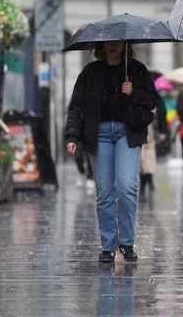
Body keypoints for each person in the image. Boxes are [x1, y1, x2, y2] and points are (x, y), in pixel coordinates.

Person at [65, 41, 158, 263]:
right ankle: (108, 246)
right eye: (108, 43)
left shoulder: (136, 70)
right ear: (102, 45)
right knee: (105, 192)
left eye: (117, 43)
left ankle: (126, 243)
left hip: (127, 132)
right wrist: (72, 136)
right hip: (99, 135)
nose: (112, 46)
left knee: (127, 187)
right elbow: (76, 105)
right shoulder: (91, 72)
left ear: (125, 45)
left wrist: (133, 92)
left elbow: (152, 101)